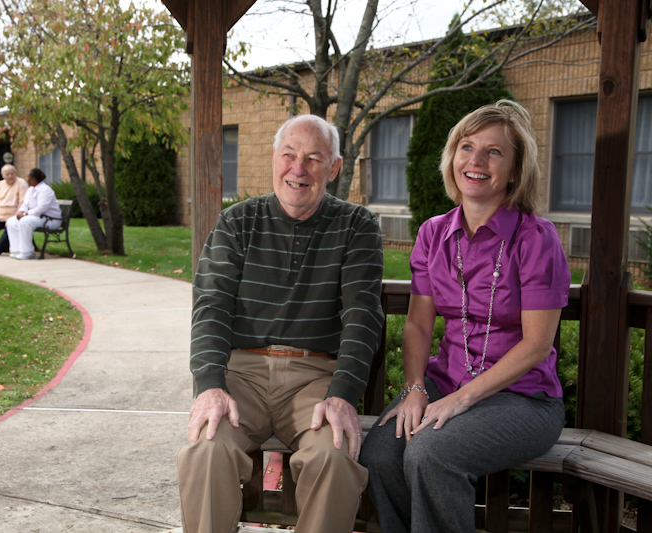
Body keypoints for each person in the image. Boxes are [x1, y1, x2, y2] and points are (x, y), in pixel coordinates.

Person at [360, 100, 570, 532]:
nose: (475, 160)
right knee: (380, 454)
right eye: (466, 147)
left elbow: (537, 344)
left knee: (431, 453)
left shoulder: (536, 239)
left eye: (494, 151)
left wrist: (460, 400)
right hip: (445, 381)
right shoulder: (433, 233)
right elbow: (418, 324)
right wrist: (416, 388)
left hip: (524, 398)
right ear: (452, 157)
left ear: (514, 170)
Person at [176, 114, 385, 533]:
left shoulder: (356, 226)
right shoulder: (237, 222)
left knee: (334, 456)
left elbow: (362, 316)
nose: (298, 168)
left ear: (335, 167)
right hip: (243, 377)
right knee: (206, 452)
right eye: (289, 154)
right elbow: (211, 308)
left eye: (313, 158)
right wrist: (211, 385)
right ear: (274, 157)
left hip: (315, 381)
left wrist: (343, 394)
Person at [5, 168, 62, 260]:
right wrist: (21, 212)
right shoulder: (31, 189)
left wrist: (25, 214)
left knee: (25, 222)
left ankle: (27, 252)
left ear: (33, 179)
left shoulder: (45, 190)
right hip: (38, 218)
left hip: (50, 220)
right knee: (11, 222)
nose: (27, 179)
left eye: (28, 177)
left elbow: (41, 208)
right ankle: (17, 250)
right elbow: (25, 204)